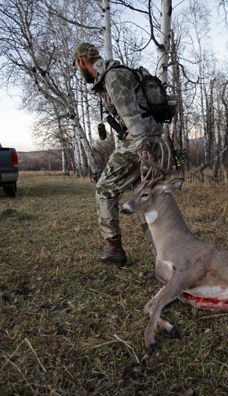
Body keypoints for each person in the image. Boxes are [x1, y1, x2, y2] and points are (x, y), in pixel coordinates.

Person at [73, 42, 162, 267]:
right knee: (143, 200)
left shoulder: (112, 77)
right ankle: (164, 260)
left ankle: (114, 249)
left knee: (104, 188)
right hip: (150, 139)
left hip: (139, 141)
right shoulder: (116, 75)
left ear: (82, 61)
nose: (78, 69)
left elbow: (131, 115)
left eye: (76, 65)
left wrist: (143, 150)